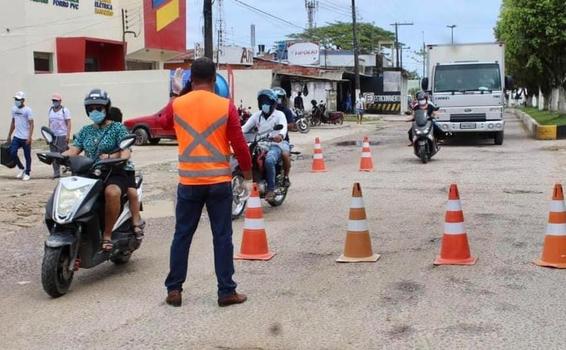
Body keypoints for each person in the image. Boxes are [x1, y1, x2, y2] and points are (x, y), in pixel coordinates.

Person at [164, 57, 252, 308]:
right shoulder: (226, 106)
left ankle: (174, 290)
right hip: (218, 182)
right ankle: (226, 291)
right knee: (222, 237)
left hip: (189, 183)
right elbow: (239, 145)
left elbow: (161, 123)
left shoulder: (177, 105)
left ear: (192, 79)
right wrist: (247, 174)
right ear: (214, 79)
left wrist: (178, 93)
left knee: (182, 235)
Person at [63, 89, 132, 252]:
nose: (95, 111)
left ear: (106, 109)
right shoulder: (86, 130)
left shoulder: (118, 128)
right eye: (91, 108)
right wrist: (58, 156)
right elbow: (74, 149)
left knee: (112, 193)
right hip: (89, 174)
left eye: (98, 108)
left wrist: (119, 157)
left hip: (113, 172)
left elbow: (126, 150)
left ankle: (107, 234)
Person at [242, 89, 288, 201]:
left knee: (269, 160)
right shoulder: (257, 116)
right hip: (260, 143)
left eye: (267, 101)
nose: (264, 104)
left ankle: (271, 189)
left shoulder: (279, 115)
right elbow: (244, 128)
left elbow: (284, 127)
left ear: (273, 103)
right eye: (262, 101)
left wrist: (280, 136)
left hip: (276, 144)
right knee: (248, 158)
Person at [107, 106, 145, 239]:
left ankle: (136, 221)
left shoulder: (120, 132)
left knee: (132, 193)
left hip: (124, 169)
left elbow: (125, 151)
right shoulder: (99, 132)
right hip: (106, 169)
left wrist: (110, 157)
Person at [7, 91, 33, 181]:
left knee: (27, 156)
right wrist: (9, 135)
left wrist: (29, 137)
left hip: (25, 137)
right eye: (15, 99)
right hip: (17, 137)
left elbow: (31, 124)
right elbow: (13, 122)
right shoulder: (14, 109)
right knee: (12, 152)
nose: (16, 101)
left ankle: (27, 172)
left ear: (23, 100)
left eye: (18, 99)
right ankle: (21, 168)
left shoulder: (27, 110)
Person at [272, 87, 293, 187]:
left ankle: (286, 177)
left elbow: (291, 125)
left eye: (280, 98)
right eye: (276, 97)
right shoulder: (266, 112)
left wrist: (283, 125)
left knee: (285, 155)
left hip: (282, 140)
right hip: (267, 140)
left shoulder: (286, 111)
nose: (278, 100)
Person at [48, 93, 71, 179]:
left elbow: (68, 123)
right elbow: (49, 122)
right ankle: (56, 172)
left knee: (63, 153)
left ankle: (68, 166)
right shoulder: (50, 110)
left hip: (62, 135)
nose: (55, 102)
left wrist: (68, 135)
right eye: (54, 100)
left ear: (60, 101)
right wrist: (48, 134)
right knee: (54, 154)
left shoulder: (65, 110)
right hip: (53, 135)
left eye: (56, 101)